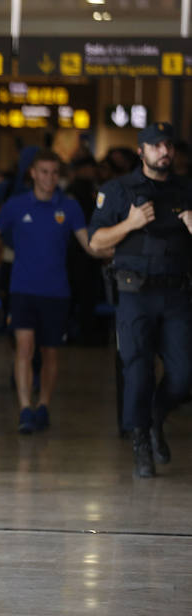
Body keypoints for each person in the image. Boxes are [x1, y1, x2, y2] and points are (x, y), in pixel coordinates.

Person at [0, 150, 109, 434]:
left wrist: (117, 249)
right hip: (22, 289)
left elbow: (90, 245)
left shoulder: (69, 207)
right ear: (32, 173)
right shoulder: (16, 205)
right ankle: (24, 408)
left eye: (55, 172)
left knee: (50, 352)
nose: (49, 178)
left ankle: (43, 404)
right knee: (24, 348)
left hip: (56, 292)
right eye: (43, 171)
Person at [88, 122, 192, 478]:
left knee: (183, 375)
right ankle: (140, 442)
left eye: (169, 145)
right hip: (135, 293)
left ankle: (155, 418)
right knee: (137, 370)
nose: (164, 151)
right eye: (156, 145)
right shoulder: (118, 191)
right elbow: (96, 243)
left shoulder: (186, 190)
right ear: (141, 151)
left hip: (177, 293)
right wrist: (130, 224)